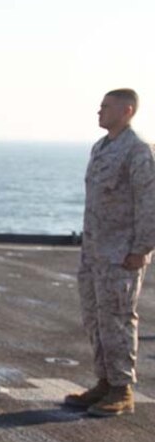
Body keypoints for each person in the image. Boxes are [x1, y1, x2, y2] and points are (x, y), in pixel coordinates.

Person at [65, 88, 154, 416]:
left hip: (121, 255)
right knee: (95, 318)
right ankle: (104, 382)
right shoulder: (101, 148)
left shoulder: (139, 151)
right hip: (95, 253)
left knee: (118, 318)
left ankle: (122, 389)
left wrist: (142, 248)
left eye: (106, 106)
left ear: (127, 110)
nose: (99, 111)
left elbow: (150, 203)